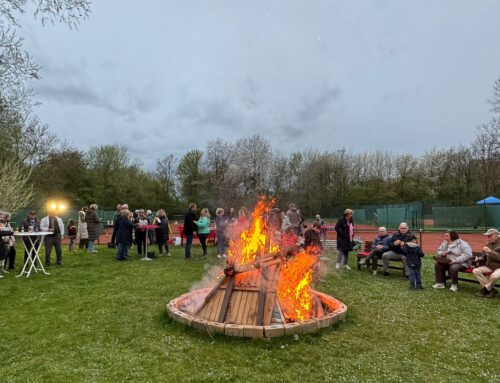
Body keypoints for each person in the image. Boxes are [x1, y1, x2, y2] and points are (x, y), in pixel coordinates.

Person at [473, 228, 500, 298]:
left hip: (499, 267)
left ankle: (484, 289)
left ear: (496, 236)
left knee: (494, 276)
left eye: (490, 236)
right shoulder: (488, 244)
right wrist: (479, 258)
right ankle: (491, 289)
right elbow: (483, 255)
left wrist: (490, 252)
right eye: (487, 236)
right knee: (476, 270)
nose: (488, 238)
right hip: (489, 266)